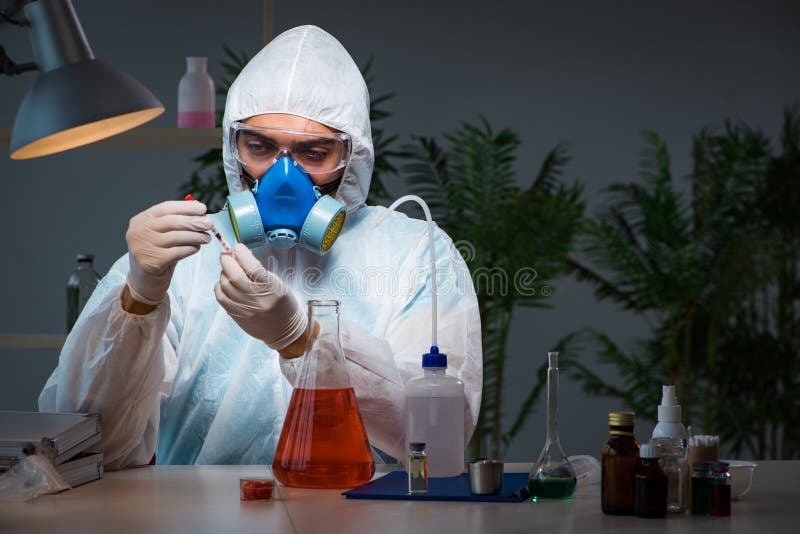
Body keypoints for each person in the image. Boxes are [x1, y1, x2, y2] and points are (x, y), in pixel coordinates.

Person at [39, 25, 482, 469]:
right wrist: (138, 298)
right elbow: (91, 443)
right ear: (235, 150)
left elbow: (436, 442)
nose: (282, 176)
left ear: (353, 158)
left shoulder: (413, 254)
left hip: (366, 512)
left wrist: (304, 341)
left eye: (314, 152)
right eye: (260, 146)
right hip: (203, 514)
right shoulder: (184, 253)